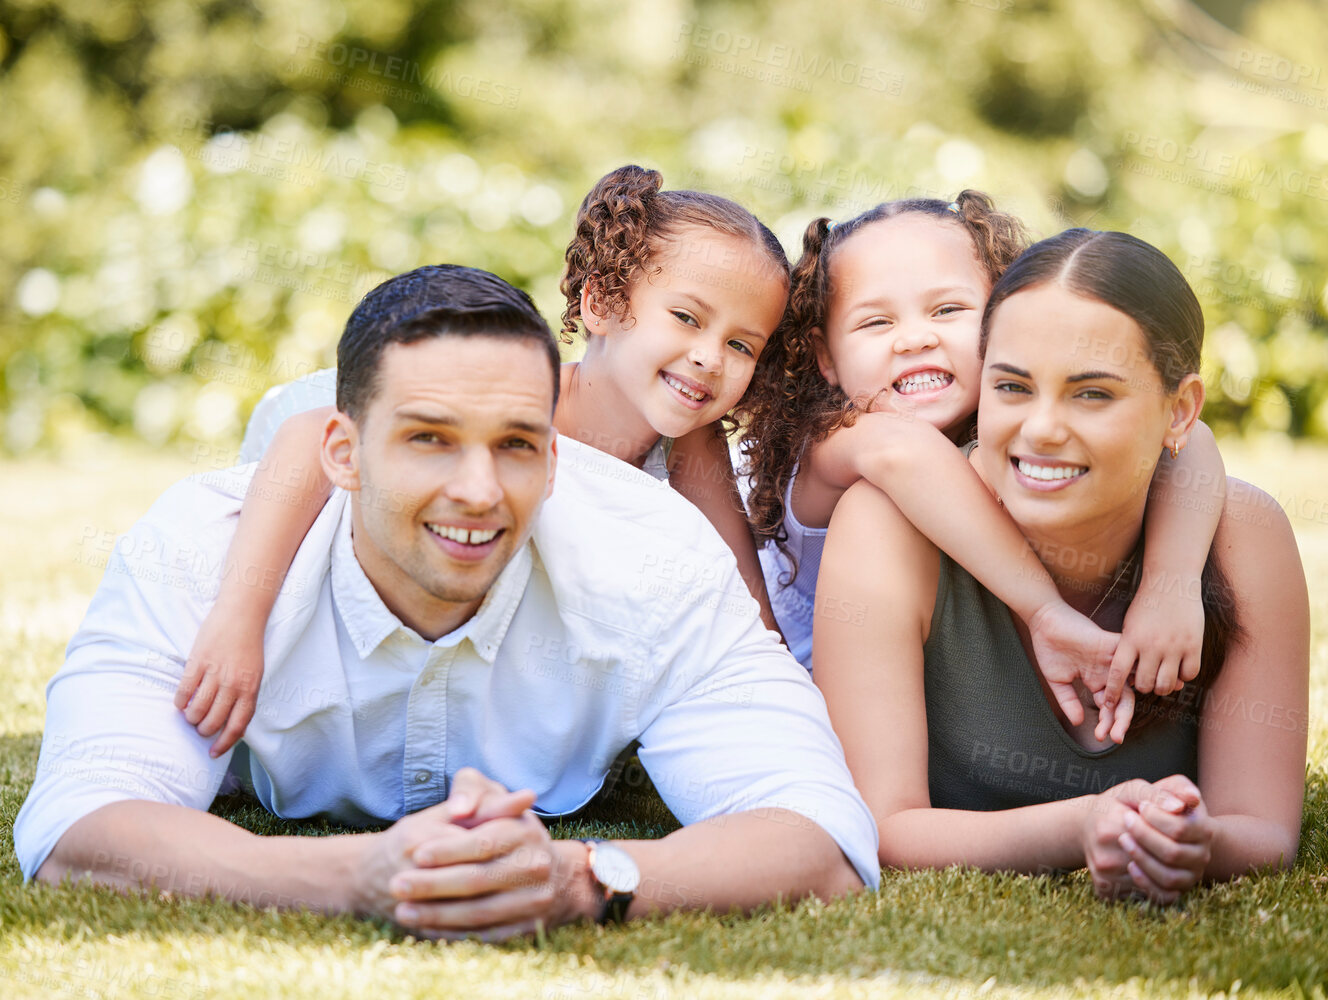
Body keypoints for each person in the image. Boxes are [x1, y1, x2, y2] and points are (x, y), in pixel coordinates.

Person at [14, 264, 878, 940]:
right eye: (430, 439)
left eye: (515, 445)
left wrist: (583, 881)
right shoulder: (200, 551)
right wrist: (353, 878)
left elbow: (819, 831)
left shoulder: (658, 559)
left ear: (553, 456)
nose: (477, 490)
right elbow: (80, 823)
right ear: (341, 455)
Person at [178, 165, 791, 754]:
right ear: (602, 302)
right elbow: (306, 439)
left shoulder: (691, 444)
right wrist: (240, 619)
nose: (711, 357)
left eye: (741, 345)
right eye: (686, 318)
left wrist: (775, 701)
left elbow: (744, 605)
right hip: (337, 452)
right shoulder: (518, 403)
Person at [810, 229, 1306, 903]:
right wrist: (1081, 828)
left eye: (1092, 394)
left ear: (1180, 411)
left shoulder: (1242, 536)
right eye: (1013, 386)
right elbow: (884, 825)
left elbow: (1264, 831)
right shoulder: (888, 525)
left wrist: (1195, 843)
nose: (1041, 429)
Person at [734, 193, 1227, 742]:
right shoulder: (836, 442)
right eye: (876, 322)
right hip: (833, 714)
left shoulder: (1013, 431)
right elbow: (907, 456)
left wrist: (1170, 583)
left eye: (947, 311)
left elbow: (1191, 442)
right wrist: (1045, 611)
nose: (916, 337)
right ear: (826, 357)